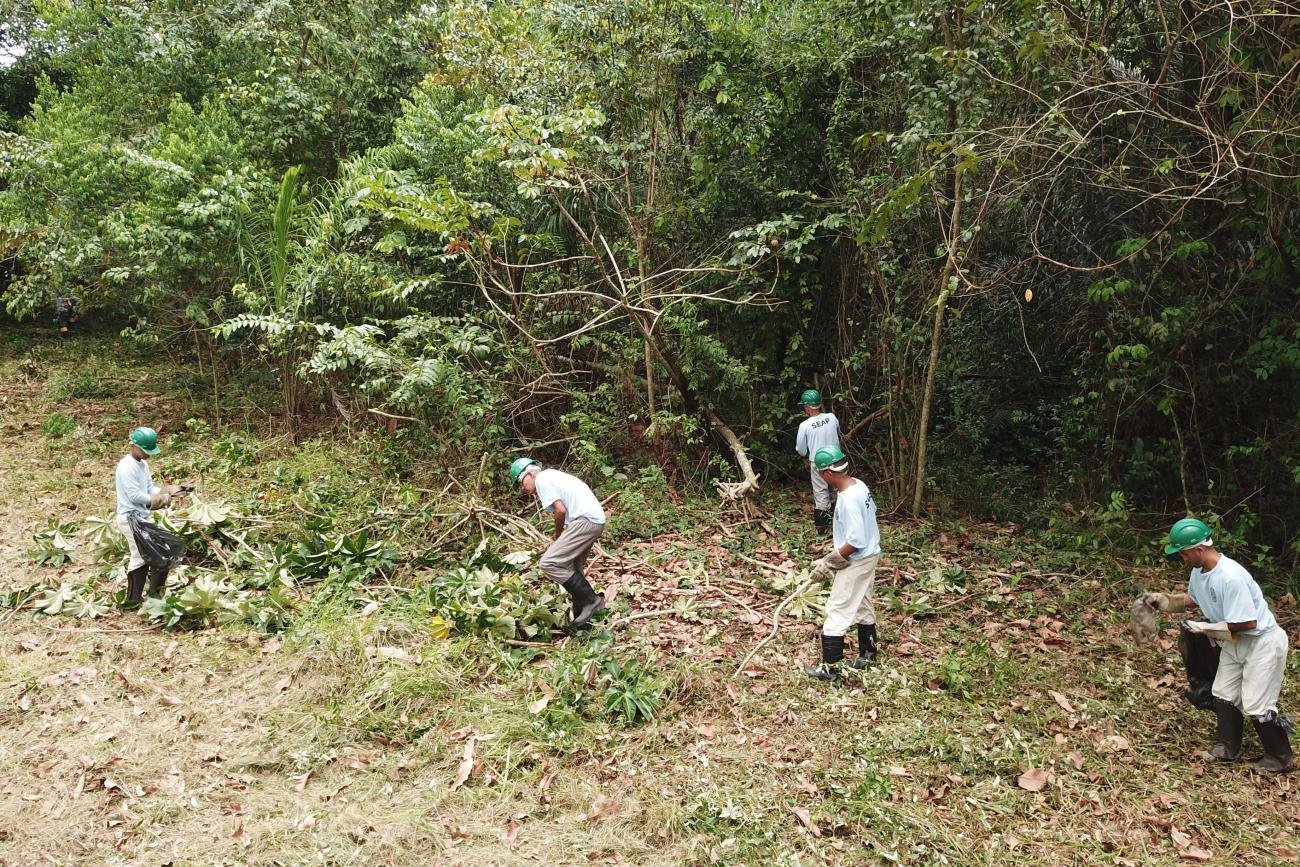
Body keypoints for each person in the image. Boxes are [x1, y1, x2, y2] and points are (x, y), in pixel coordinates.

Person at [1142, 517, 1293, 774]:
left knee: (1256, 703)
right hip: (1234, 641)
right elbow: (1193, 598)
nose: (1183, 558)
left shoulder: (1230, 577)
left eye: (1184, 553)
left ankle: (1280, 757)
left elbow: (1246, 622)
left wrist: (1207, 629)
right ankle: (1227, 747)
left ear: (1199, 549)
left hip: (1262, 642)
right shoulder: (1199, 572)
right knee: (1223, 691)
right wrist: (1165, 601)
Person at [804, 445, 881, 680]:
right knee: (863, 601)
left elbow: (856, 540)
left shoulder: (847, 499)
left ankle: (831, 668)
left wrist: (830, 562)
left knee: (838, 607)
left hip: (858, 558)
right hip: (871, 554)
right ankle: (868, 654)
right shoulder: (858, 484)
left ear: (827, 473)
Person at [510, 457, 607, 630]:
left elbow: (560, 511)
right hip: (594, 520)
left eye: (521, 482)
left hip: (586, 520)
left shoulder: (542, 480)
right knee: (573, 567)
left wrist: (558, 536)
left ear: (530, 474)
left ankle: (592, 601)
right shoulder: (552, 476)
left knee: (549, 562)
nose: (522, 488)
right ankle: (582, 615)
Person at [115, 426, 187, 607]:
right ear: (133, 445)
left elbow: (148, 490)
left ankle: (153, 598)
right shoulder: (126, 466)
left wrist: (169, 490)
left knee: (160, 553)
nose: (148, 455)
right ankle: (133, 600)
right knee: (141, 556)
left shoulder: (142, 464)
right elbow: (135, 497)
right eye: (145, 451)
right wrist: (161, 500)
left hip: (142, 517)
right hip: (130, 518)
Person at [794, 389, 841, 536]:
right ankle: (839, 525)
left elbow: (801, 450)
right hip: (836, 459)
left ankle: (823, 531)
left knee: (821, 494)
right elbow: (838, 433)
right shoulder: (832, 418)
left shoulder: (805, 425)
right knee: (837, 490)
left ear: (807, 407)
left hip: (819, 463)